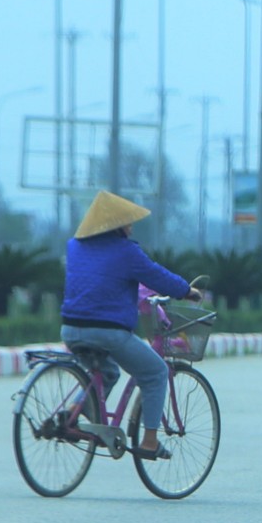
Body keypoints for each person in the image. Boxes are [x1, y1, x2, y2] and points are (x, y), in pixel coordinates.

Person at [60, 191, 201, 459]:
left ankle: (71, 414)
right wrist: (186, 291)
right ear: (115, 225)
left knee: (108, 373)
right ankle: (149, 442)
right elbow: (157, 276)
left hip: (70, 329)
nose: (131, 226)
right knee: (156, 372)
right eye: (127, 222)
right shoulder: (127, 252)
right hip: (108, 332)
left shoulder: (74, 246)